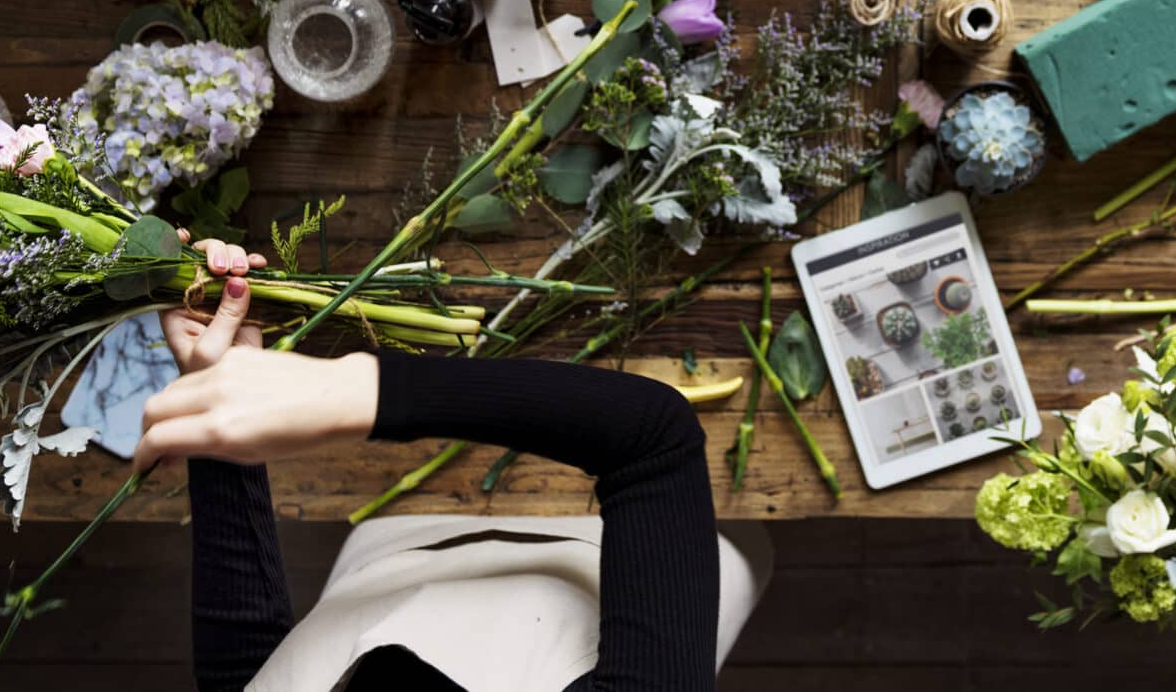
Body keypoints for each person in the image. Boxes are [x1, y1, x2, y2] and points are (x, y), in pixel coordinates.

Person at [142, 237, 770, 691]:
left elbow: (256, 678)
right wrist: (357, 391)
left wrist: (218, 417)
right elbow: (655, 440)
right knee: (740, 550)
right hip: (601, 554)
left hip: (393, 555)